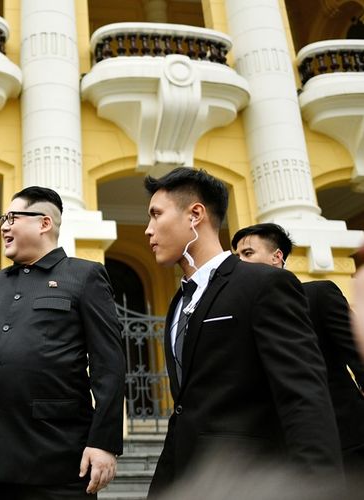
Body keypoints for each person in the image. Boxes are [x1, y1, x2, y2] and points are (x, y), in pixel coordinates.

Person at [143, 167, 342, 496]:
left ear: (195, 215)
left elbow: (303, 395)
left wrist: (321, 487)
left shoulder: (263, 285)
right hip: (184, 479)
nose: (149, 230)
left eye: (156, 215)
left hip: (250, 479)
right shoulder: (178, 302)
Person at [0, 186, 126, 499]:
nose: (3, 226)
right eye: (3, 219)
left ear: (44, 223)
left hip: (55, 456)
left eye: (12, 217)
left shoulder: (84, 277)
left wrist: (104, 442)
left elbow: (109, 365)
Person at [232, 223, 364, 475]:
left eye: (247, 253)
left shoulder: (318, 295)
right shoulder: (241, 313)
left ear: (276, 257)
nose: (240, 262)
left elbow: (357, 355)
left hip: (344, 439)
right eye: (237, 256)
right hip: (278, 453)